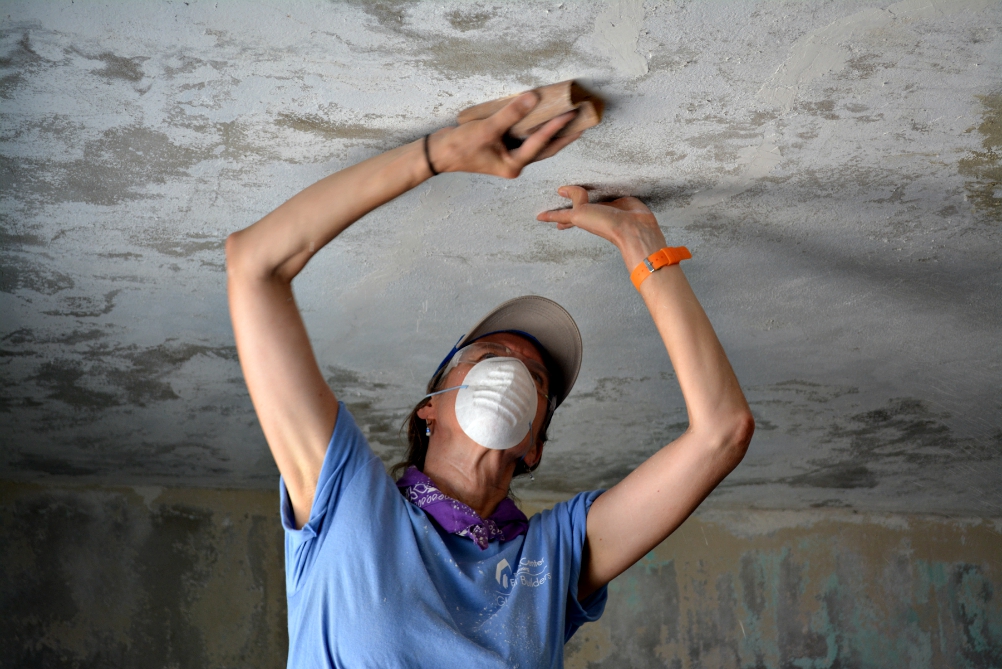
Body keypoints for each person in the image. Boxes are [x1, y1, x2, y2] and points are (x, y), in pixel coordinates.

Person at [226, 91, 754, 668]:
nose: (512, 372)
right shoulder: (350, 503)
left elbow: (721, 433)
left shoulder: (551, 560)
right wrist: (437, 155)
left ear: (534, 445)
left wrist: (642, 246)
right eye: (490, 355)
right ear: (430, 406)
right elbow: (255, 264)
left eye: (534, 377)